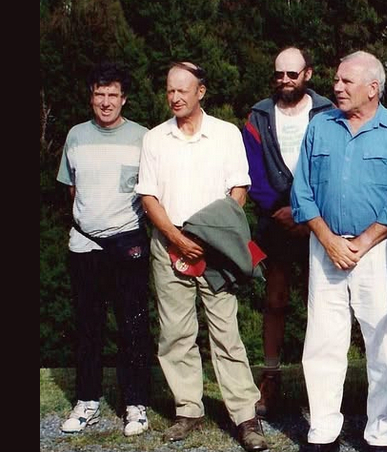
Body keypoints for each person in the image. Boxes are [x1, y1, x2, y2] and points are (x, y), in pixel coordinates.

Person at [136, 62, 267, 451]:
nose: (175, 97)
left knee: (226, 333)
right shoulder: (155, 139)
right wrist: (177, 237)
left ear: (201, 92)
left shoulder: (226, 134)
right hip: (169, 245)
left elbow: (238, 189)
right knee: (175, 333)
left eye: (183, 90)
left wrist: (212, 236)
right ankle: (188, 410)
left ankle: (245, 417)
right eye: (169, 91)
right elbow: (148, 197)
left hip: (217, 252)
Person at [290, 50, 387, 451]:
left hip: (377, 249)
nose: (336, 86)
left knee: (380, 340)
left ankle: (380, 432)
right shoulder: (319, 126)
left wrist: (362, 243)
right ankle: (323, 429)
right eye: (337, 79)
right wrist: (327, 239)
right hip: (324, 246)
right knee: (323, 339)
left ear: (373, 88)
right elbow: (302, 190)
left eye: (346, 81)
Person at [56, 62, 152, 437]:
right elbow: (72, 189)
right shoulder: (76, 136)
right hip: (84, 246)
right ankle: (87, 401)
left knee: (133, 327)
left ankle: (136, 404)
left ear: (124, 99)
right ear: (91, 97)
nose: (106, 101)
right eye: (100, 94)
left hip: (128, 243)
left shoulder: (144, 137)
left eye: (113, 94)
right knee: (87, 327)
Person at [242, 47, 334, 418]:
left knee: (322, 306)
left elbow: (334, 166)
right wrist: (279, 211)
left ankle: (320, 386)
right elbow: (251, 171)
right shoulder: (258, 115)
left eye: (292, 74)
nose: (285, 81)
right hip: (275, 220)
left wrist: (306, 213)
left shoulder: (328, 112)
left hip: (318, 222)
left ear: (307, 74)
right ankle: (271, 377)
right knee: (275, 301)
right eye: (279, 74)